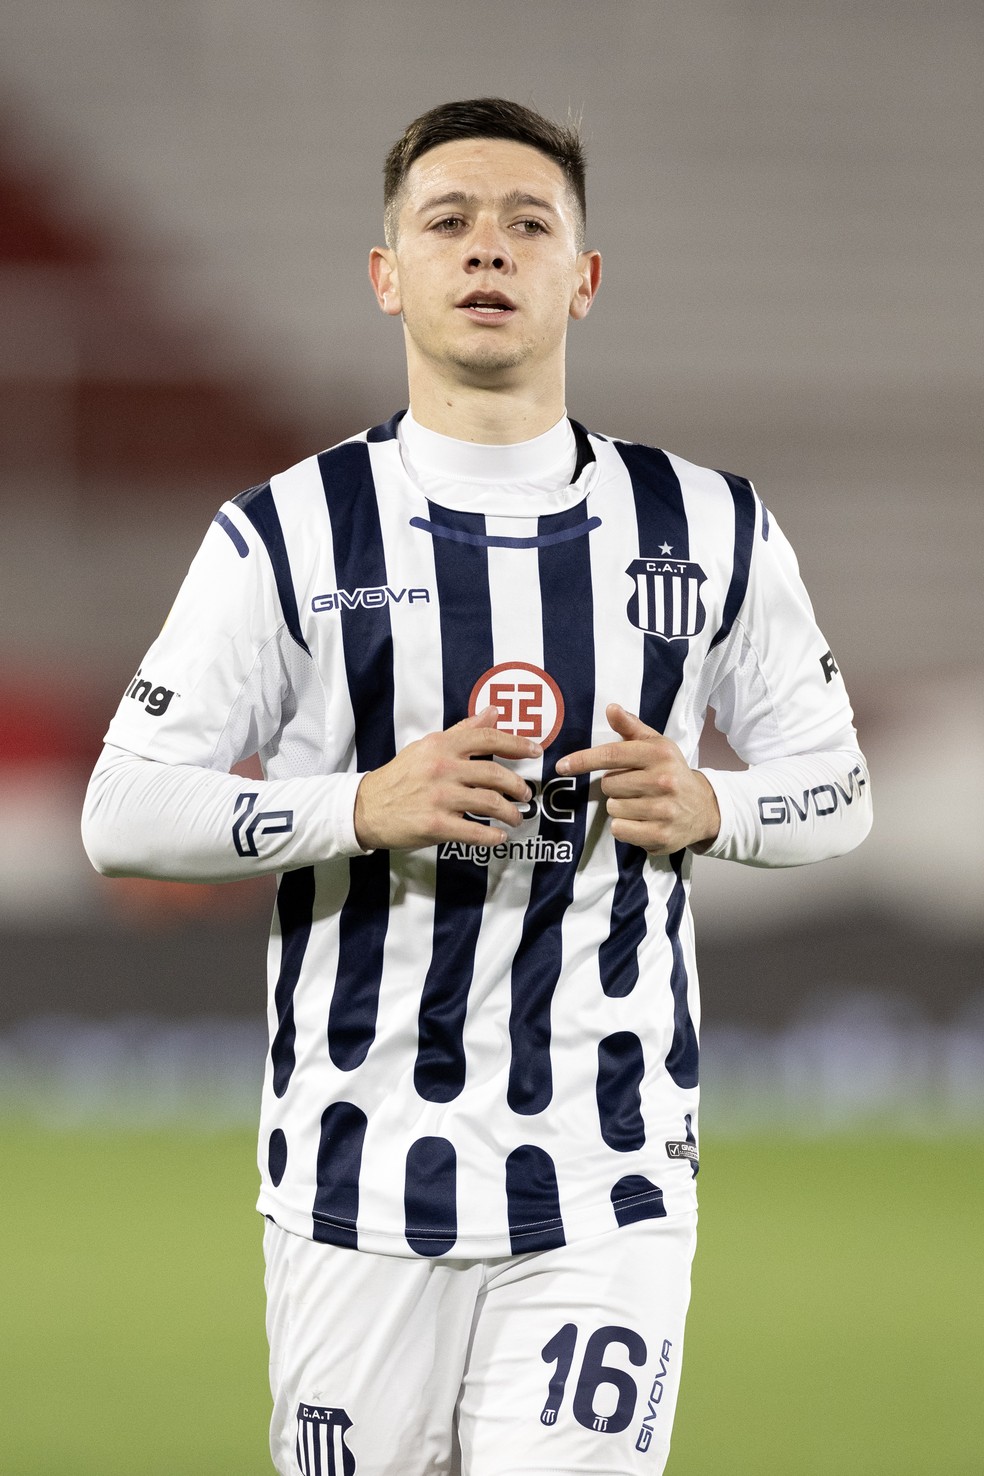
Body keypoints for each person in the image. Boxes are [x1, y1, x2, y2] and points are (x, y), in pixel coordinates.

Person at [82, 97, 872, 1476]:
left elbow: (840, 785)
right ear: (389, 273)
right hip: (353, 1186)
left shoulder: (706, 526)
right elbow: (122, 812)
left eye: (530, 223)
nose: (488, 249)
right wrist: (354, 808)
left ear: (586, 277)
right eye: (448, 222)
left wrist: (719, 808)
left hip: (607, 1181)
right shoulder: (284, 533)